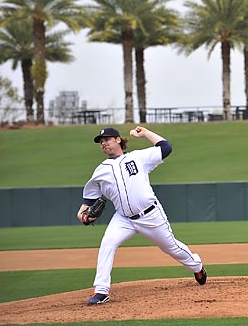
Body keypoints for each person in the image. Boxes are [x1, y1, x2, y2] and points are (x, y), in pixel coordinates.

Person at [78, 126, 207, 305]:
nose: (103, 144)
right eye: (101, 142)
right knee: (107, 244)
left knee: (171, 248)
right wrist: (83, 215)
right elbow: (88, 201)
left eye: (107, 139)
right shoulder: (100, 170)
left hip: (150, 214)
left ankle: (197, 266)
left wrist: (146, 133)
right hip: (123, 219)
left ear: (117, 140)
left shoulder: (137, 157)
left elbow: (166, 147)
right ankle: (101, 291)